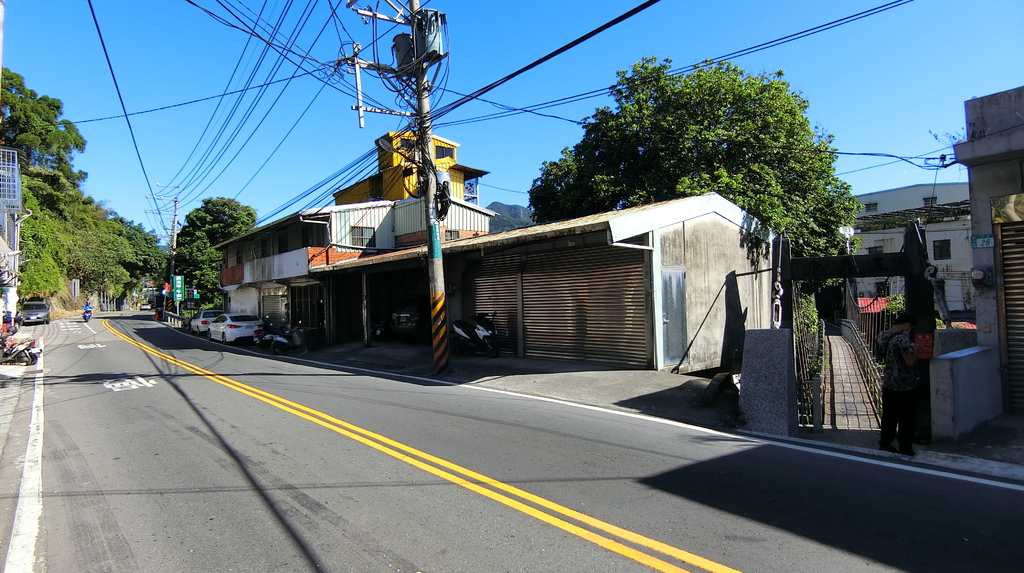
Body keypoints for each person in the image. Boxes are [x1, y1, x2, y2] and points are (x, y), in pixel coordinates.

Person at [876, 313, 919, 455]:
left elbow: (880, 356)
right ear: (907, 325)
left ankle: (885, 443)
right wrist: (916, 350)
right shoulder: (901, 339)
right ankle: (905, 446)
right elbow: (910, 361)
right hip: (904, 384)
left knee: (889, 415)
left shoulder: (882, 335)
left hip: (888, 382)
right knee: (907, 418)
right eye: (910, 327)